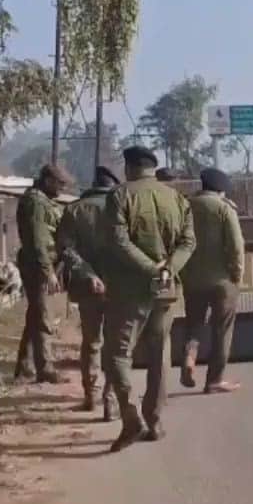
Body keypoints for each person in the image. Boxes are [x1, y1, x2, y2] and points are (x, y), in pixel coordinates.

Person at [102, 146, 196, 451]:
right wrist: (168, 268)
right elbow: (188, 241)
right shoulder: (176, 198)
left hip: (130, 290)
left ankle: (131, 419)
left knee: (117, 354)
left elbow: (117, 240)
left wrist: (149, 268)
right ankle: (154, 420)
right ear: (152, 168)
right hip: (167, 290)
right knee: (159, 352)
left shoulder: (119, 196)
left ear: (129, 167)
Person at [56, 165, 120, 419]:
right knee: (116, 344)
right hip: (118, 285)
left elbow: (65, 249)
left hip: (87, 286)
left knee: (91, 341)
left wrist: (88, 273)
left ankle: (90, 395)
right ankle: (110, 400)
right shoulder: (122, 208)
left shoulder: (73, 210)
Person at [180, 168, 245, 393]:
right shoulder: (224, 209)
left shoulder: (185, 206)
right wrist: (237, 274)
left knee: (195, 324)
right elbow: (236, 246)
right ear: (221, 190)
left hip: (193, 279)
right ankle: (215, 379)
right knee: (222, 329)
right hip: (222, 281)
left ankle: (189, 356)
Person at [14, 164, 72, 383]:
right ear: (48, 181)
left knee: (35, 315)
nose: (62, 188)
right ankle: (44, 368)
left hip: (42, 263)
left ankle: (25, 365)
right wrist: (49, 272)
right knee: (43, 316)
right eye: (60, 183)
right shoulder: (36, 203)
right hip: (37, 264)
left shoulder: (42, 200)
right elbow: (38, 241)